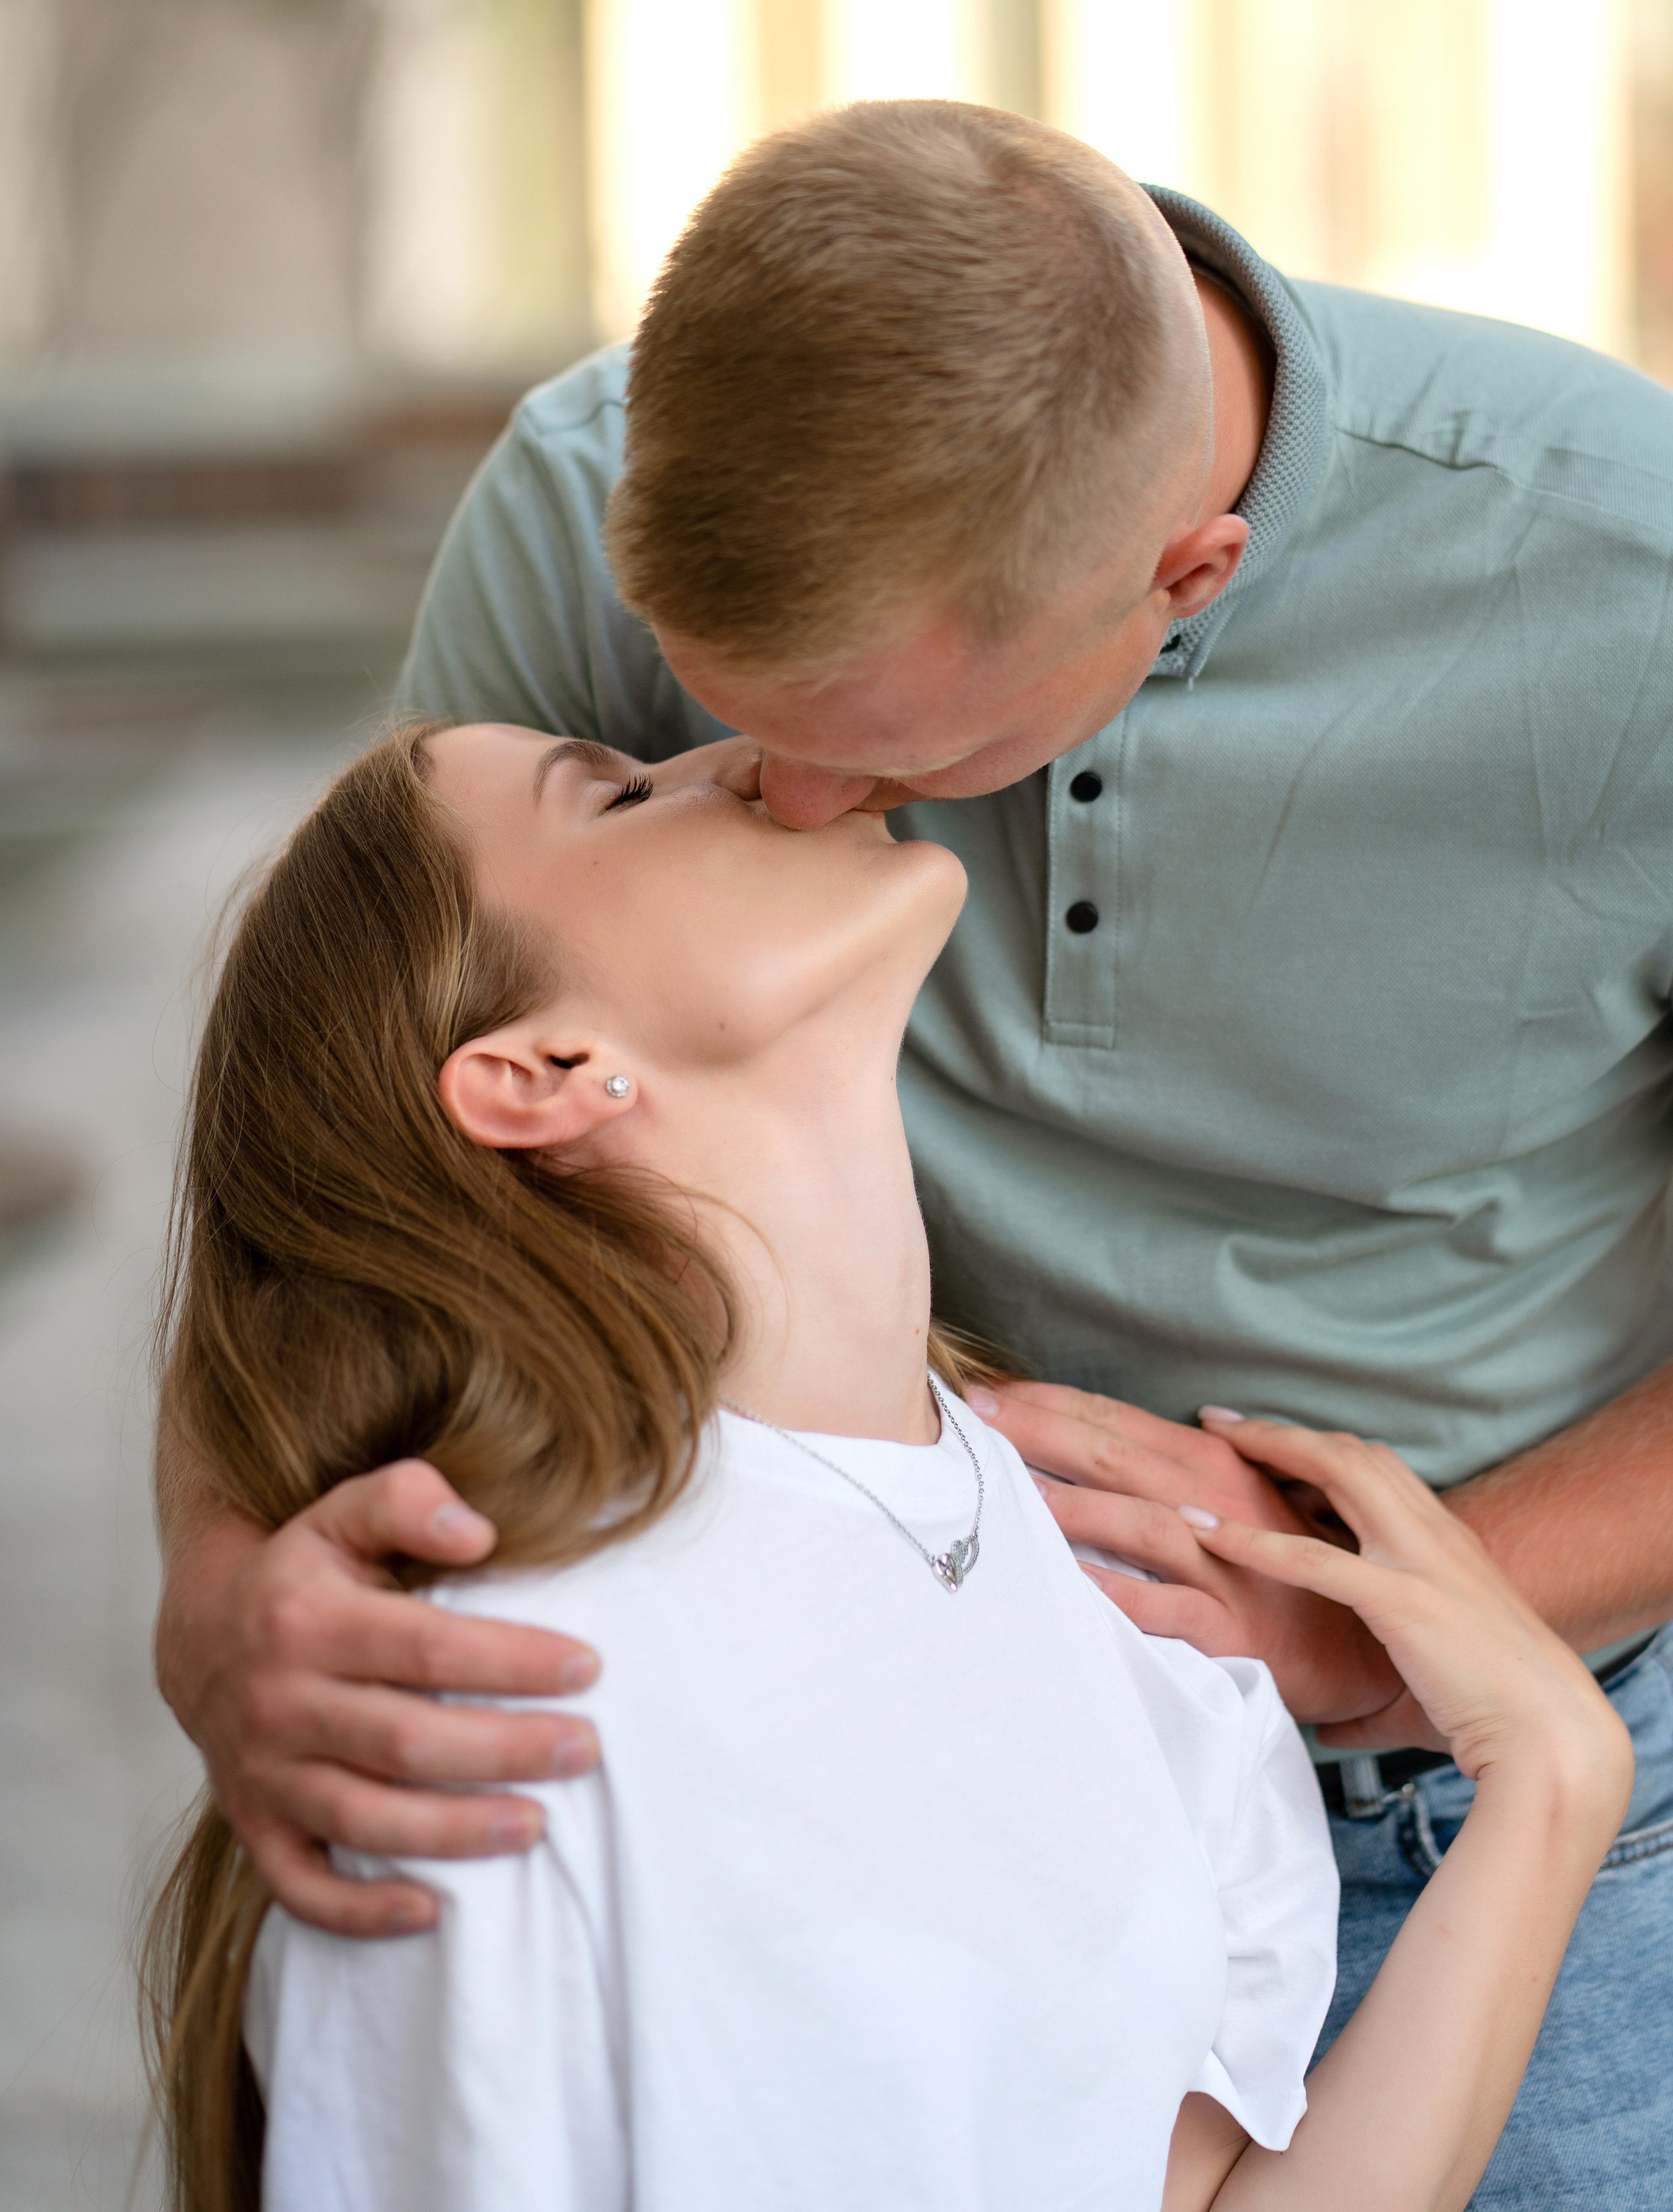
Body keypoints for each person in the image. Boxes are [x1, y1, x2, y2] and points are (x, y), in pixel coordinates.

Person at [152, 101, 1673, 2204]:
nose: (782, 791)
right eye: (692, 711)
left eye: (898, 751)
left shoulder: (1635, 584)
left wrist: (1405, 1648)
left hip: (1495, 1774)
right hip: (917, 1699)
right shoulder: (589, 497)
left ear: (1187, 582)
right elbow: (348, 1115)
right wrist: (224, 1593)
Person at [144, 717, 1630, 2212]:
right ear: (542, 1069)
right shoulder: (491, 1694)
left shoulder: (1108, 1594)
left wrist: (1552, 1779)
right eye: (612, 790)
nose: (740, 754)